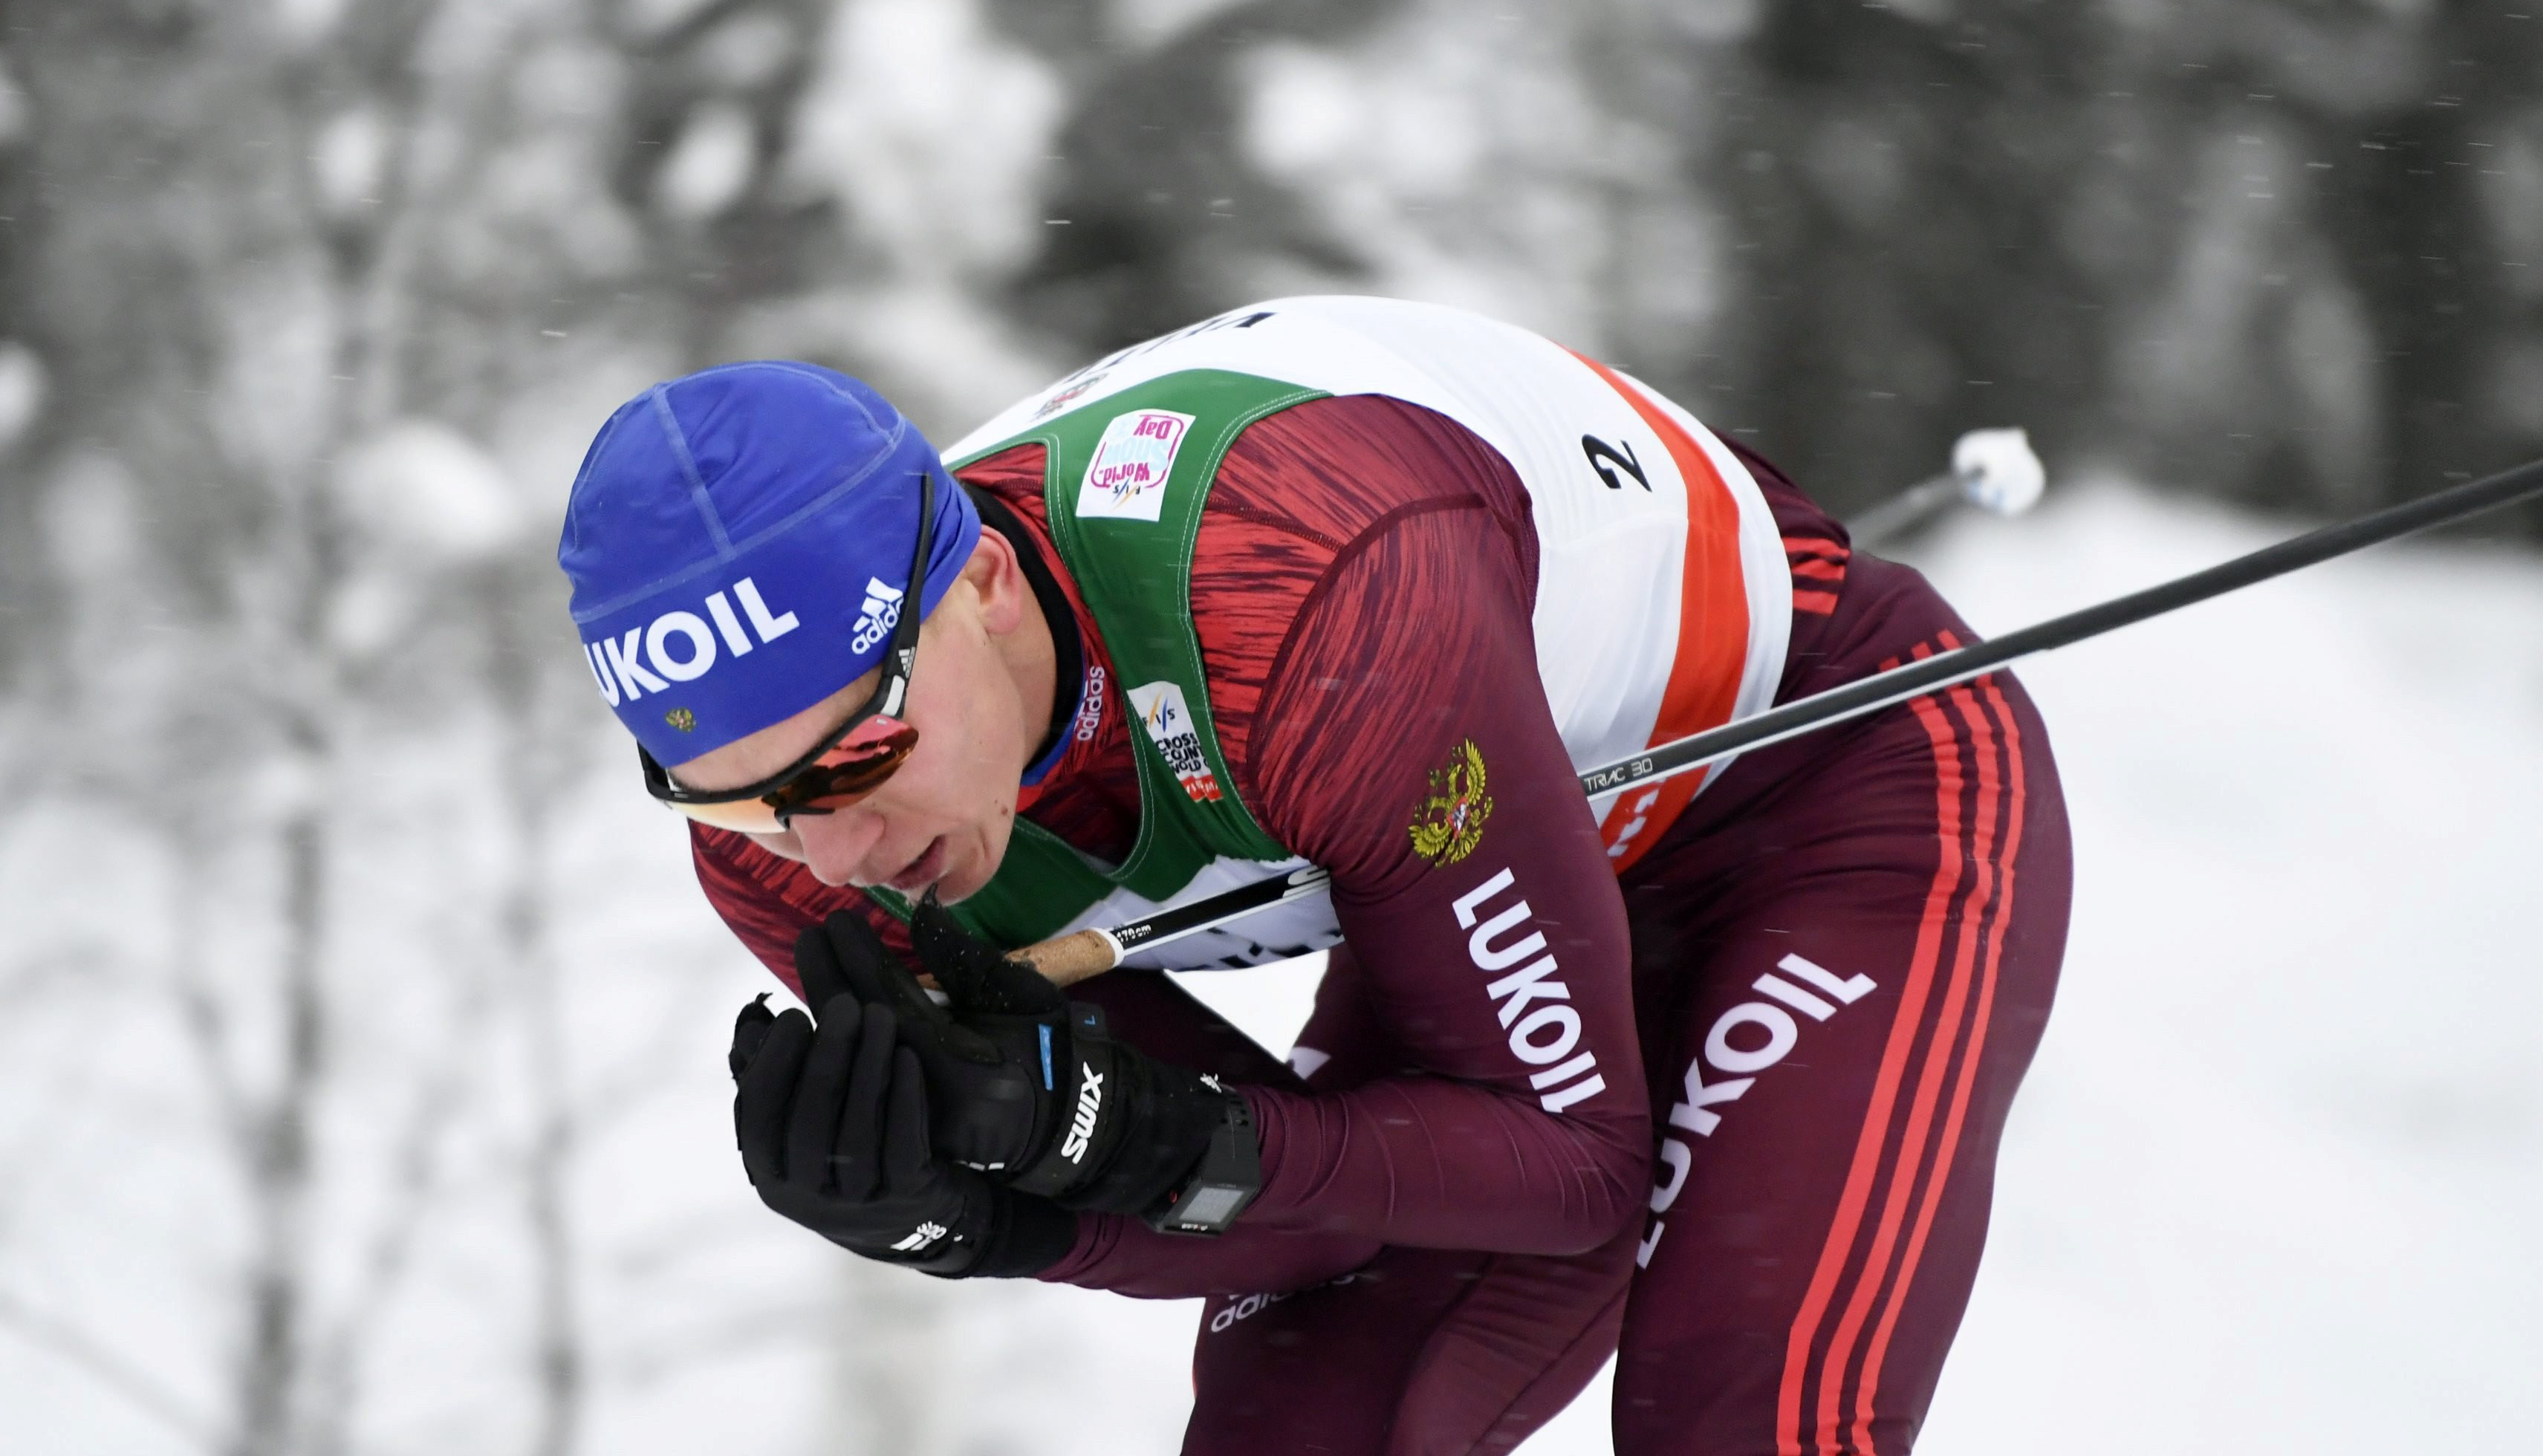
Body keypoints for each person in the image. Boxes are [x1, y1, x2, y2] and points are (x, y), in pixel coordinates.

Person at [556, 296, 2071, 1455]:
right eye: (740, 807)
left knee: (1744, 1410)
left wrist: (1148, 1139)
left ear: (988, 589)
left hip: (1818, 787)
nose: (835, 856)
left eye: (858, 760)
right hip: (1486, 854)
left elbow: (1569, 1164)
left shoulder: (1295, 601)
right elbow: (1288, 1198)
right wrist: (970, 1209)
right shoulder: (798, 856)